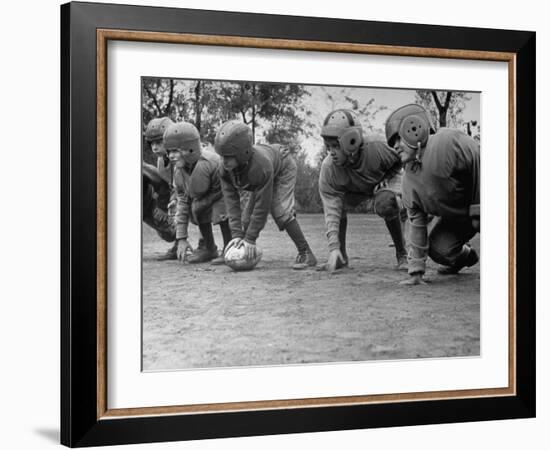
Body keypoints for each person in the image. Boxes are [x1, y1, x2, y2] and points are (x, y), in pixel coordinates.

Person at [385, 104, 480, 285]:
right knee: (438, 250)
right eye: (392, 143)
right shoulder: (409, 181)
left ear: (415, 128)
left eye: (398, 138)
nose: (395, 146)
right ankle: (467, 257)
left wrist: (479, 207)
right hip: (459, 219)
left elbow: (477, 157)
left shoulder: (446, 142)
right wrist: (416, 272)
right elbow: (417, 224)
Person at [214, 120, 317, 270]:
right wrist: (237, 234)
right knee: (246, 218)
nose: (223, 161)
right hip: (263, 174)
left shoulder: (260, 167)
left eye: (228, 157)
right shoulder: (224, 169)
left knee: (280, 211)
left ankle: (306, 253)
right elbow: (231, 203)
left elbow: (262, 206)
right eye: (222, 156)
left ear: (243, 153)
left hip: (283, 166)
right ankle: (241, 250)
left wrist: (250, 238)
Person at [318, 109, 408, 273]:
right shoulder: (329, 168)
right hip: (355, 190)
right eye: (328, 146)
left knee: (385, 203)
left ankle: (402, 253)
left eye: (336, 146)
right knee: (339, 205)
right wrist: (333, 248)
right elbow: (331, 211)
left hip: (382, 182)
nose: (331, 152)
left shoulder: (377, 146)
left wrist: (388, 178)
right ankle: (341, 257)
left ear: (351, 141)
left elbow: (403, 158)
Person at [164, 121, 232, 264]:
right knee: (195, 207)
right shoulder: (179, 172)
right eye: (169, 151)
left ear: (191, 148)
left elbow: (229, 192)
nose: (170, 156)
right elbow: (183, 203)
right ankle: (209, 248)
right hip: (209, 195)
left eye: (175, 151)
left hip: (226, 195)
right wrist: (181, 238)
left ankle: (230, 247)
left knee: (221, 209)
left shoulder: (213, 162)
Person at [143, 117, 178, 260]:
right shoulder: (160, 161)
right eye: (152, 144)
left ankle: (205, 244)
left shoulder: (179, 157)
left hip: (191, 192)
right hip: (175, 194)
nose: (155, 147)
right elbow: (166, 183)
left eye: (159, 142)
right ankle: (178, 245)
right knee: (168, 230)